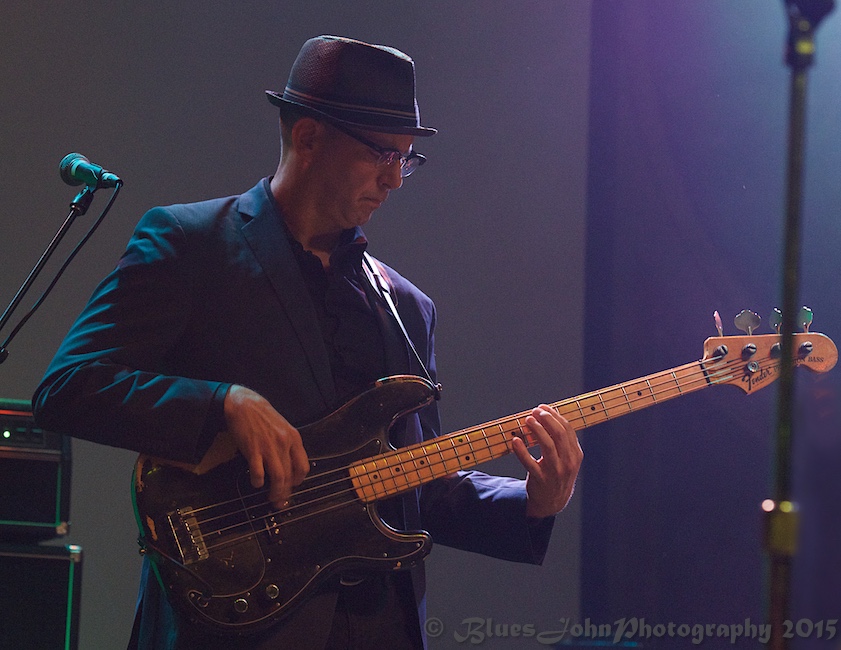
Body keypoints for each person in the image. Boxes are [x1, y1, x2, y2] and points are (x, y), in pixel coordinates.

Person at [33, 35, 583, 650]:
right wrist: (222, 403)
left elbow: (413, 478)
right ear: (309, 137)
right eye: (381, 153)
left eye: (408, 158)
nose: (396, 178)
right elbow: (67, 386)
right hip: (230, 623)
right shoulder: (190, 243)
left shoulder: (406, 306)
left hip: (381, 628)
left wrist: (533, 502)